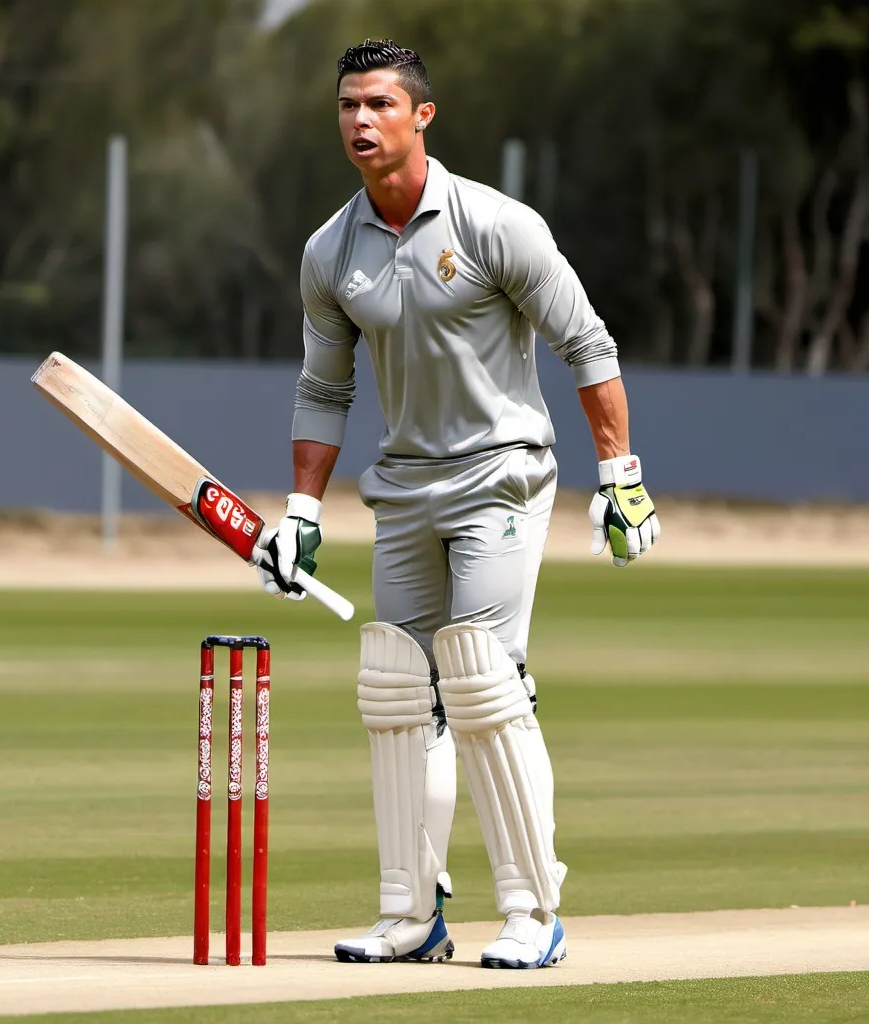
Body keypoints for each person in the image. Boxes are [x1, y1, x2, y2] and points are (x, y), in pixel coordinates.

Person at [253, 38, 660, 970]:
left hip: (502, 478)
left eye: (381, 105)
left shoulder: (493, 224)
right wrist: (302, 511)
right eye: (349, 105)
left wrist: (620, 476)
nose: (361, 121)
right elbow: (324, 389)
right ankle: (411, 914)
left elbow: (587, 345)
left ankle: (531, 910)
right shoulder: (331, 250)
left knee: (481, 683)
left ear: (421, 116)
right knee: (401, 696)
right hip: (404, 492)